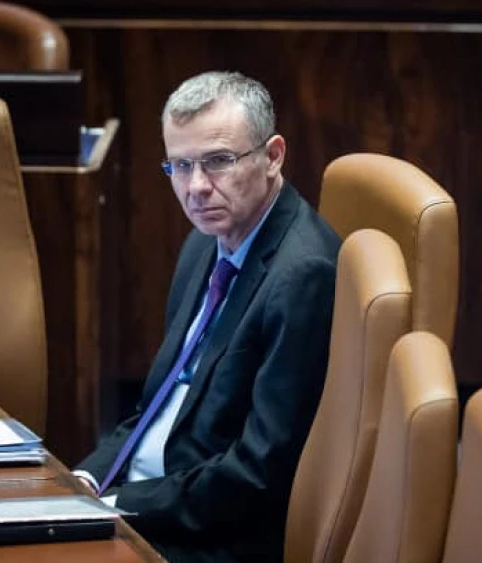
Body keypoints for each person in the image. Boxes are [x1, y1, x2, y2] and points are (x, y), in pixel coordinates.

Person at [73, 71, 341, 563]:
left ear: (273, 156)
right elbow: (154, 407)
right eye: (180, 165)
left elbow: (257, 474)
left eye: (218, 162)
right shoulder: (205, 242)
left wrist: (116, 505)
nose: (196, 187)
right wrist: (85, 480)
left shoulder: (304, 276)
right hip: (146, 499)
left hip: (206, 538)